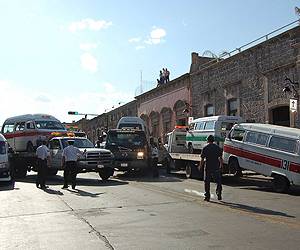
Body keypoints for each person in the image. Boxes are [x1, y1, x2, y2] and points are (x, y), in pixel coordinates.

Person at [199, 135, 223, 201]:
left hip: (208, 167)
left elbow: (202, 159)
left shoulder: (205, 148)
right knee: (218, 181)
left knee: (207, 182)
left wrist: (200, 166)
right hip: (216, 166)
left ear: (208, 140)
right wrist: (221, 165)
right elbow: (220, 158)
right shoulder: (218, 148)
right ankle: (219, 193)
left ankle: (207, 196)